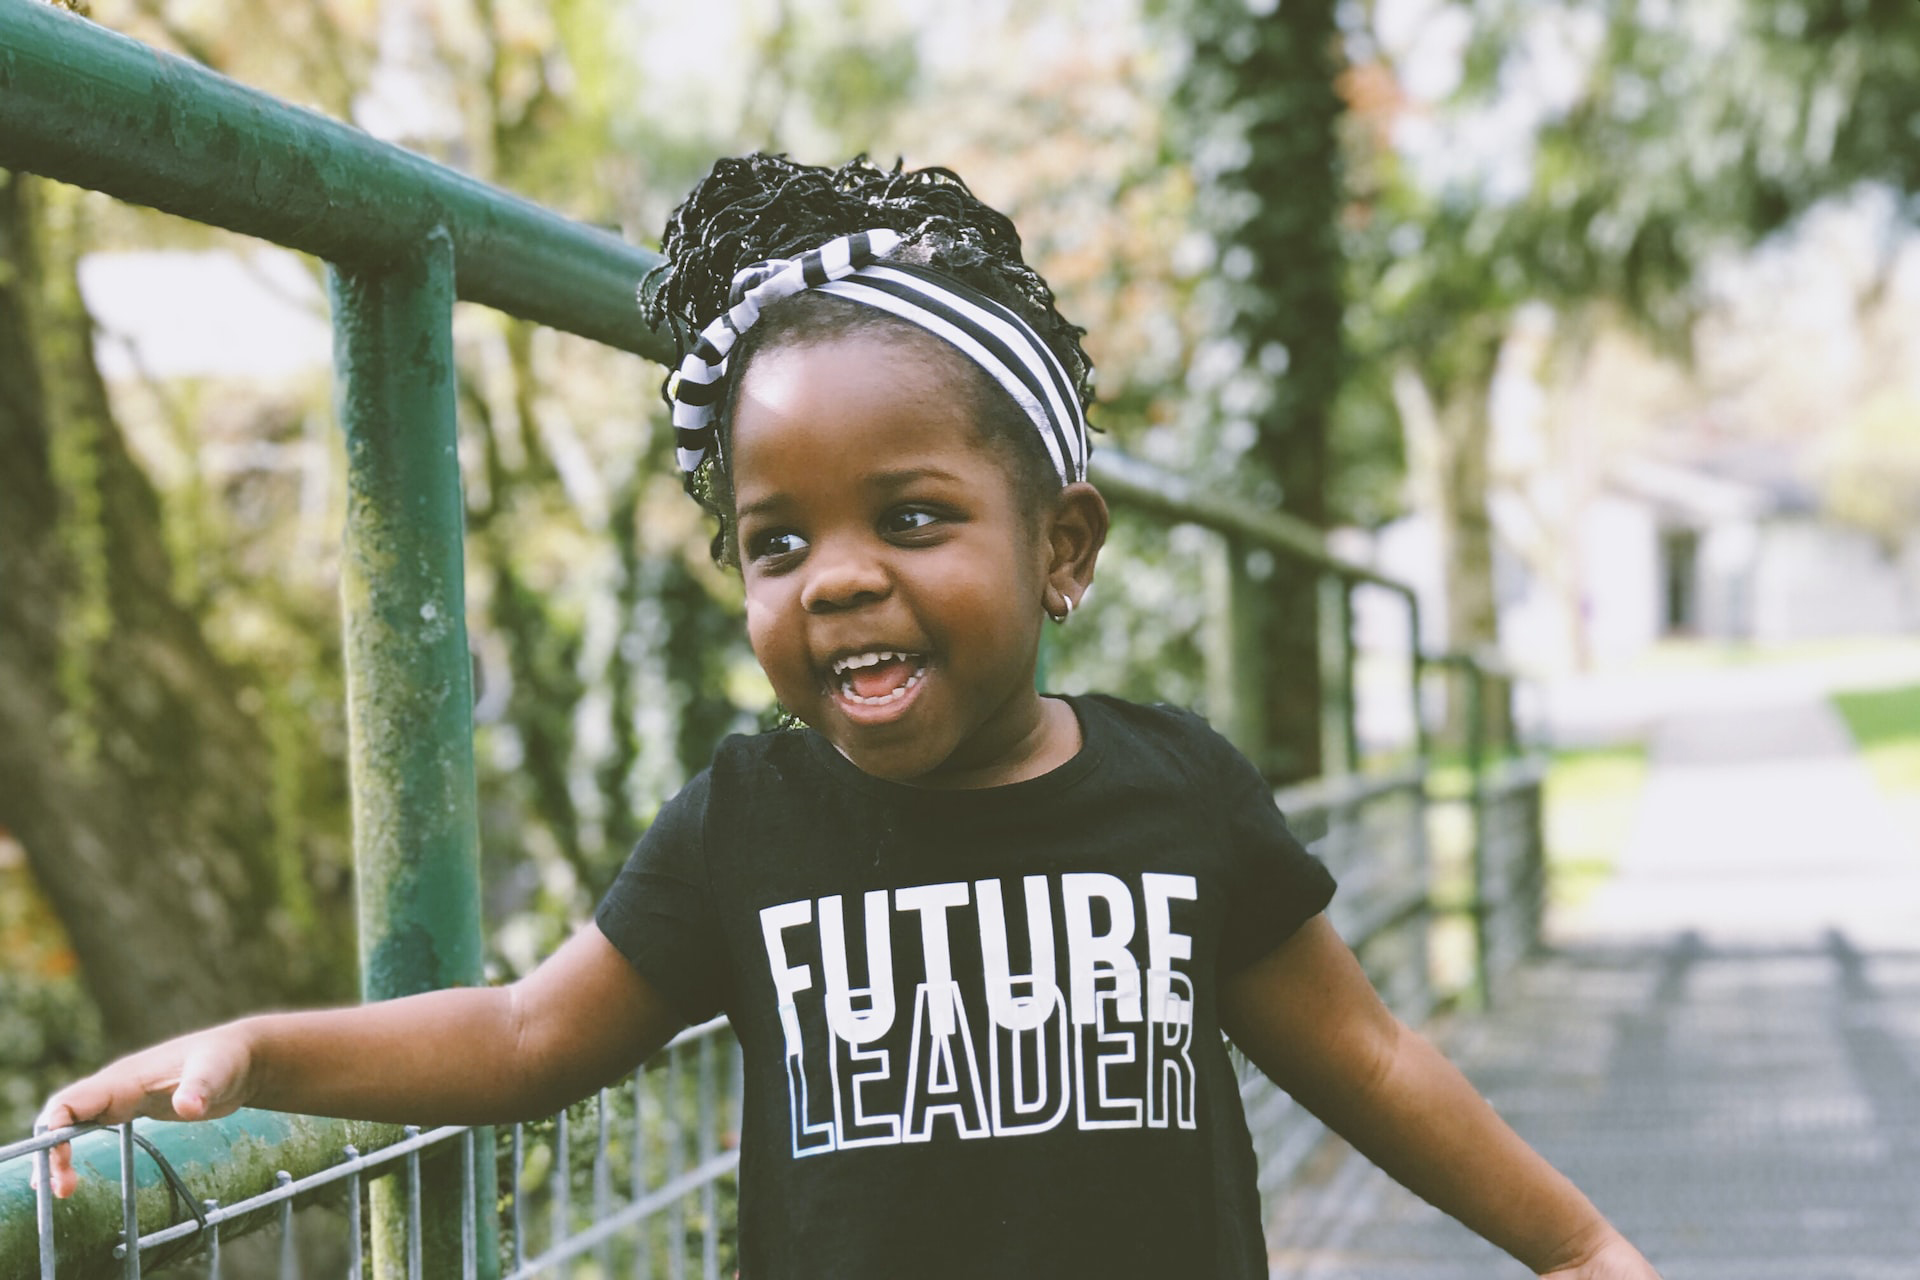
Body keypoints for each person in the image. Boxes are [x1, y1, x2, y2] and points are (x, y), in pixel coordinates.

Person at [40, 154, 1660, 1280]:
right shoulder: (751, 823)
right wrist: (260, 1052)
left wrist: (1573, 1245)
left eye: (913, 518)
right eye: (778, 541)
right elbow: (530, 1034)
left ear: (1062, 550)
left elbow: (1368, 1055)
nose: (837, 580)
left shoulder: (1181, 797)